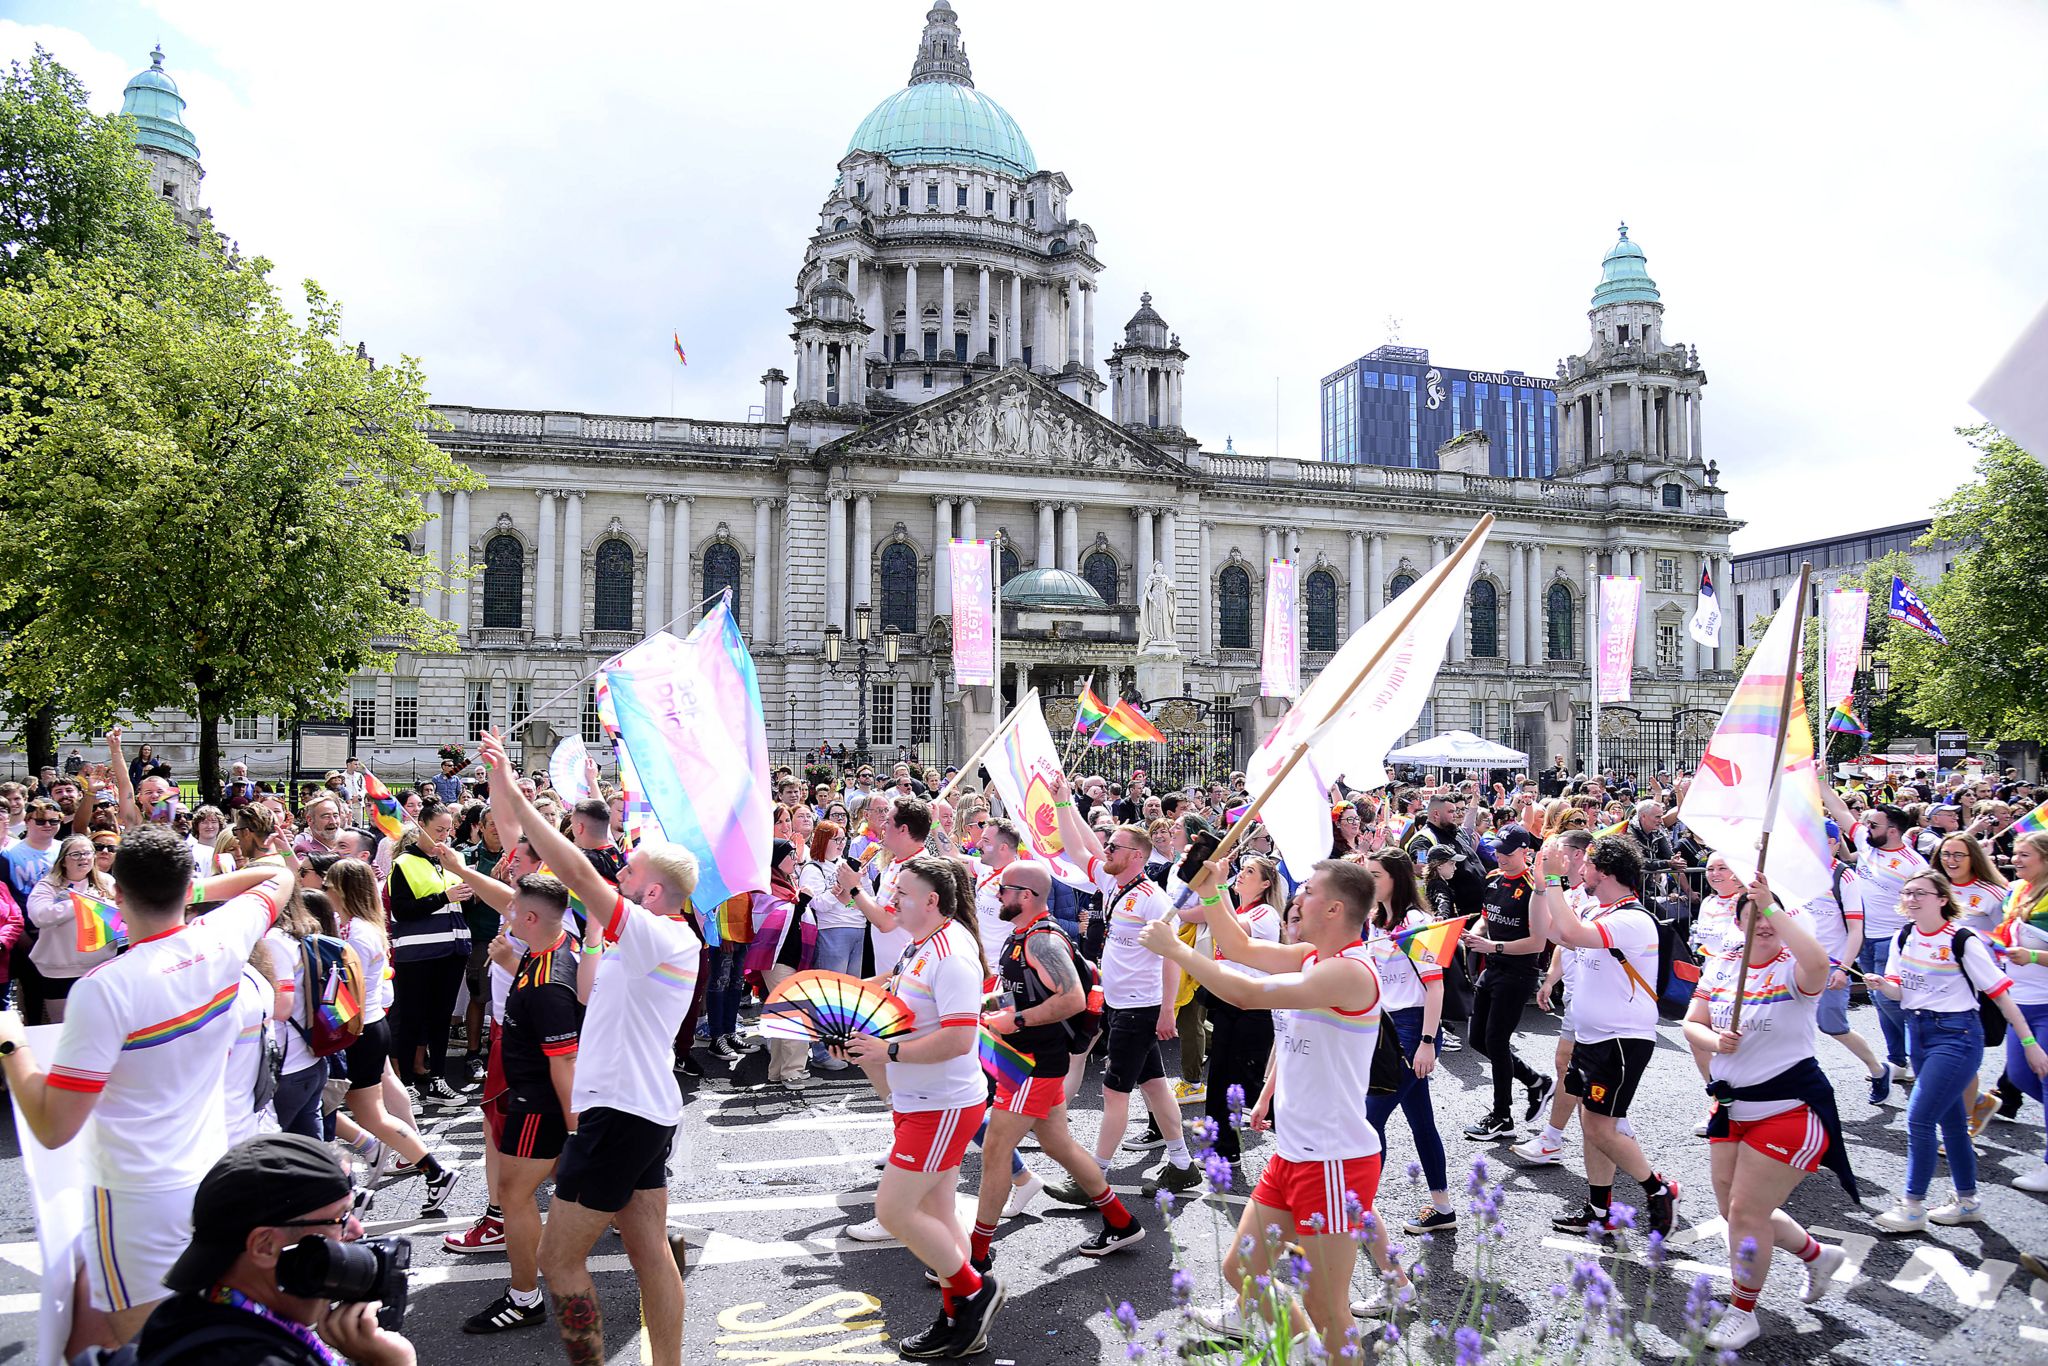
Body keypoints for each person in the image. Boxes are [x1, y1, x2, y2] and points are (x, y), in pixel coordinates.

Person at [0, 828, 292, 1341]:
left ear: (116, 893)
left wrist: (10, 1044)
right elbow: (279, 874)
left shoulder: (104, 988)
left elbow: (53, 1127)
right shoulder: (225, 935)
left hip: (135, 1196)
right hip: (209, 1176)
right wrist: (191, 890)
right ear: (187, 886)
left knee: (152, 1346)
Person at [481, 728, 697, 1366]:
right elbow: (529, 881)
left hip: (622, 1112)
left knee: (556, 1258)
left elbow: (573, 869)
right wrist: (504, 782)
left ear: (652, 892)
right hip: (644, 1109)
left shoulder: (657, 933)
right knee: (649, 1251)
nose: (618, 872)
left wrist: (522, 802)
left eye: (629, 872)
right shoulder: (645, 936)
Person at [1157, 858, 1408, 1359]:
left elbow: (1247, 993)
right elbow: (1242, 949)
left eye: (1309, 891)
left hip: (1333, 1159)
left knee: (1327, 1307)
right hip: (1294, 1153)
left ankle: (1325, 1349)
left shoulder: (1349, 972)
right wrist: (1215, 890)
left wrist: (1175, 950)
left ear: (1334, 908)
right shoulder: (1314, 956)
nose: (1298, 897)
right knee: (1242, 1269)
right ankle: (1311, 1351)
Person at [836, 853, 1006, 1359]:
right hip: (921, 1099)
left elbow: (958, 1039)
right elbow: (903, 1009)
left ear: (931, 900)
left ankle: (974, 1293)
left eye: (902, 893)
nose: (891, 901)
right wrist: (853, 1026)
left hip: (942, 1103)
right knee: (937, 1213)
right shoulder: (922, 945)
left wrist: (885, 1051)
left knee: (892, 1210)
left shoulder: (952, 953)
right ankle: (960, 1316)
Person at [1685, 871, 1852, 1351]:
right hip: (1733, 1106)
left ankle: (1743, 1312)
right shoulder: (1721, 964)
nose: (1762, 922)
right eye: (1752, 913)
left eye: (1770, 914)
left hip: (1790, 1107)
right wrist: (1715, 1040)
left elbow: (1820, 962)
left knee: (1745, 1209)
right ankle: (1817, 1255)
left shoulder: (1795, 968)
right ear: (1738, 922)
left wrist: (1769, 902)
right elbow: (1691, 1023)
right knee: (1734, 1211)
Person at [108, 1133, 416, 1365]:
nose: (357, 1231)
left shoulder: (185, 1312)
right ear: (265, 1245)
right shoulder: (254, 1358)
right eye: (341, 1218)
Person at [973, 859, 1144, 1272]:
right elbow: (1018, 994)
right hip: (1023, 1059)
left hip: (1036, 1063)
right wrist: (982, 1010)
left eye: (1004, 888)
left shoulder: (1043, 941)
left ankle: (975, 1259)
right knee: (1057, 1145)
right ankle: (1122, 1223)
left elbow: (1070, 1000)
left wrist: (1014, 1020)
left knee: (996, 1149)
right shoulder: (1020, 935)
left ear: (1026, 896)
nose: (997, 895)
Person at [1868, 870, 2048, 1232]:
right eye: (1907, 892)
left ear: (1942, 898)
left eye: (1921, 892)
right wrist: (1883, 986)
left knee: (1918, 1118)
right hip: (1917, 1034)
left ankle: (1913, 1206)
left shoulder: (1963, 939)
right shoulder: (1902, 935)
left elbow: (1999, 994)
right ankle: (1967, 1201)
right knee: (1952, 1124)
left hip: (1957, 1037)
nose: (1912, 898)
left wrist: (2030, 1044)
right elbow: (1901, 991)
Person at [1047, 777, 1201, 1196]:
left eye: (1113, 846)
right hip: (1119, 1003)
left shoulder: (1151, 899)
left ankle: (1093, 1174)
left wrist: (1168, 1010)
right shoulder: (1114, 884)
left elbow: (1171, 956)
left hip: (1140, 1007)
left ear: (1136, 856)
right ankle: (1183, 1163)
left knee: (1114, 1094)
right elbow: (1078, 849)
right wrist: (1063, 802)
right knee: (1154, 1085)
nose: (1105, 850)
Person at [1532, 834, 1682, 1238]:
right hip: (1594, 1037)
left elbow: (1572, 933)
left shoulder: (1630, 919)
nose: (1581, 870)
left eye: (1588, 865)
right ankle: (1599, 1210)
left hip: (1620, 1040)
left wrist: (1553, 879)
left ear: (1607, 872)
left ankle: (1658, 1188)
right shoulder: (1601, 912)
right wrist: (1540, 885)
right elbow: (1548, 932)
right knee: (1592, 1123)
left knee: (1601, 1127)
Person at [463, 873, 584, 1335]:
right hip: (536, 1098)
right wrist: (512, 961)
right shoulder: (545, 952)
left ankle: (523, 1297)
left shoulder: (549, 980)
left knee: (514, 1195)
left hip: (539, 1106)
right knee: (574, 1187)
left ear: (530, 918)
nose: (507, 912)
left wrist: (574, 1130)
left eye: (513, 908)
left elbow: (564, 1060)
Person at [326, 858, 459, 1215]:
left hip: (360, 1030)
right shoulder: (362, 927)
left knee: (369, 1117)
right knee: (362, 1112)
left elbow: (343, 988)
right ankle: (423, 1169)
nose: (325, 891)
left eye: (329, 885)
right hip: (367, 1027)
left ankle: (434, 1171)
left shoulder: (357, 934)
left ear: (343, 890)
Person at [1363, 847, 1454, 1238]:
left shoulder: (1416, 923)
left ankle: (1361, 1208)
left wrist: (1428, 1041)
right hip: (1385, 1027)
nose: (1369, 882)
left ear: (1396, 879)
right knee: (1421, 1122)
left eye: (1376, 875)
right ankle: (1443, 1207)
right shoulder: (1378, 922)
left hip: (1410, 1028)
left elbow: (1435, 987)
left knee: (1370, 1119)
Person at [1819, 789, 1925, 1079]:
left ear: (1893, 831)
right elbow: (1840, 810)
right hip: (1862, 939)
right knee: (1879, 1000)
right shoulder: (1866, 843)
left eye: (1874, 825)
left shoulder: (1915, 864)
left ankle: (1922, 1049)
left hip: (1892, 939)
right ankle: (1899, 1061)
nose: (1866, 829)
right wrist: (1820, 783)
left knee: (1887, 999)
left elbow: (1926, 900)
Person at [1191, 855, 1285, 1180]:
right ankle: (1221, 1148)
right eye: (1242, 871)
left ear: (1265, 883)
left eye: (1250, 872)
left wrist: (1217, 884)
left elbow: (1234, 934)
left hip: (1253, 1005)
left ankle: (1297, 1127)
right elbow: (1223, 922)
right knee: (1219, 1078)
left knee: (1244, 1081)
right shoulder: (1242, 909)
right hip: (1230, 1001)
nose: (1242, 876)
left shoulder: (1265, 913)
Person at [1459, 828, 1553, 1141]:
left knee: (1497, 1042)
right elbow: (1486, 918)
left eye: (1509, 852)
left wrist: (1491, 947)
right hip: (1493, 967)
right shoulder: (1493, 878)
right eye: (1499, 851)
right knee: (1477, 1040)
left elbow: (1537, 944)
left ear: (1526, 851)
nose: (1501, 857)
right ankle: (1535, 1081)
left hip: (1518, 972)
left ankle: (1502, 1115)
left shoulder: (1532, 887)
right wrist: (1474, 934)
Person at [386, 802, 474, 1103]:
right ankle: (408, 1083)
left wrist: (466, 892)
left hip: (452, 950)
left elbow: (458, 905)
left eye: (448, 830)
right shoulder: (404, 863)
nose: (445, 836)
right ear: (421, 825)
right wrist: (444, 897)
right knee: (412, 1018)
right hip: (418, 953)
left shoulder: (451, 859)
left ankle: (438, 1079)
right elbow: (402, 910)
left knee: (440, 1018)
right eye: (439, 829)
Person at [1994, 832, 2048, 1192]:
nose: (2015, 858)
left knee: (2045, 1079)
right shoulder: (2015, 891)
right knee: (2020, 1075)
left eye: (2024, 854)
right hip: (2018, 1003)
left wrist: (2030, 956)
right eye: (2015, 853)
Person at [26, 834, 121, 1022]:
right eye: (76, 854)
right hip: (59, 970)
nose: (83, 858)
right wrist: (80, 903)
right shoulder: (49, 885)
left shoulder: (106, 882)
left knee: (98, 1022)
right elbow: (40, 916)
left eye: (87, 853)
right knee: (61, 1027)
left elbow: (122, 915)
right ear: (63, 861)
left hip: (100, 965)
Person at [800, 820, 858, 1072]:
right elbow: (817, 904)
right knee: (828, 995)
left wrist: (853, 889)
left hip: (857, 928)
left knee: (848, 997)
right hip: (831, 930)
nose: (841, 843)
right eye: (836, 839)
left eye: (843, 838)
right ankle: (822, 1051)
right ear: (823, 840)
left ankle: (840, 1047)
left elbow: (860, 896)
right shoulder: (813, 868)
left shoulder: (843, 865)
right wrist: (838, 890)